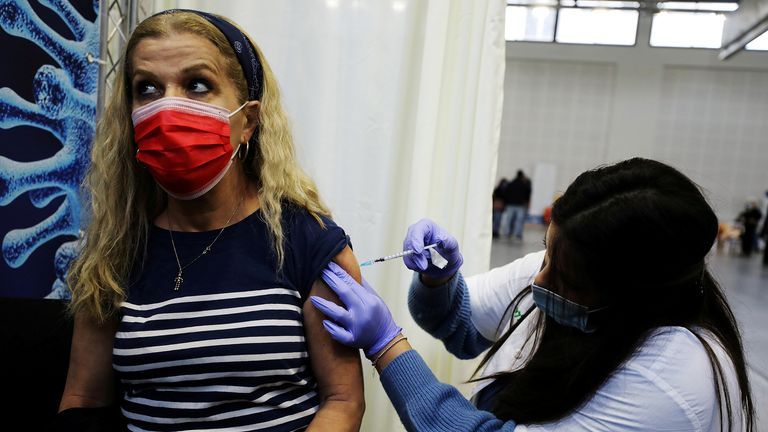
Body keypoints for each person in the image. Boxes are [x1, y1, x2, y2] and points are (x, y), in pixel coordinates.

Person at [54, 9, 364, 431]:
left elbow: (343, 400)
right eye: (147, 88)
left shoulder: (308, 240)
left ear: (248, 121)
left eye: (197, 85)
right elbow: (83, 400)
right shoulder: (116, 249)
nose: (167, 107)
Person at [310, 158, 756, 431]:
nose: (539, 282)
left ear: (629, 298)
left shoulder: (673, 379)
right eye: (546, 254)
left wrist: (388, 345)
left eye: (563, 278)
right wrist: (439, 283)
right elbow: (463, 328)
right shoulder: (560, 273)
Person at [499, 170, 531, 241]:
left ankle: (506, 233)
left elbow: (506, 193)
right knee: (519, 221)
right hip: (520, 205)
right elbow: (527, 194)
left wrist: (507, 202)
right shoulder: (524, 184)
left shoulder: (511, 183)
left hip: (510, 204)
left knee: (508, 220)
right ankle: (517, 234)